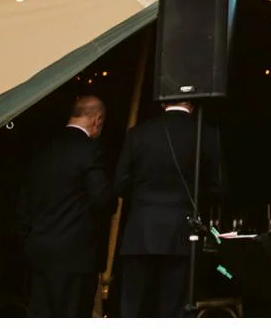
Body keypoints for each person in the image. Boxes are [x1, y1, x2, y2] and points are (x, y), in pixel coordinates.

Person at [114, 100, 224, 317]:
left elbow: (120, 183)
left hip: (141, 231)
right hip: (181, 232)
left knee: (133, 307)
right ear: (193, 103)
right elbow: (219, 187)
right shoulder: (206, 133)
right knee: (173, 309)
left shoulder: (138, 133)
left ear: (162, 102)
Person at [17, 95, 114, 318]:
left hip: (40, 251)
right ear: (97, 120)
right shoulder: (91, 151)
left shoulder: (42, 149)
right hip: (76, 255)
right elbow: (102, 199)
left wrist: (28, 237)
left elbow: (24, 202)